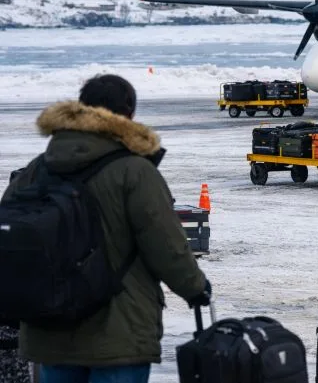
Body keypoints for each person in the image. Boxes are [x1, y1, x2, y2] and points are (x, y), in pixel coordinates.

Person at [1, 74, 211, 383]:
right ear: (129, 115)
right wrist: (195, 288)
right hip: (118, 334)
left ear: (81, 110)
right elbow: (167, 245)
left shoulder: (37, 168)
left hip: (49, 329)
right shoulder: (135, 172)